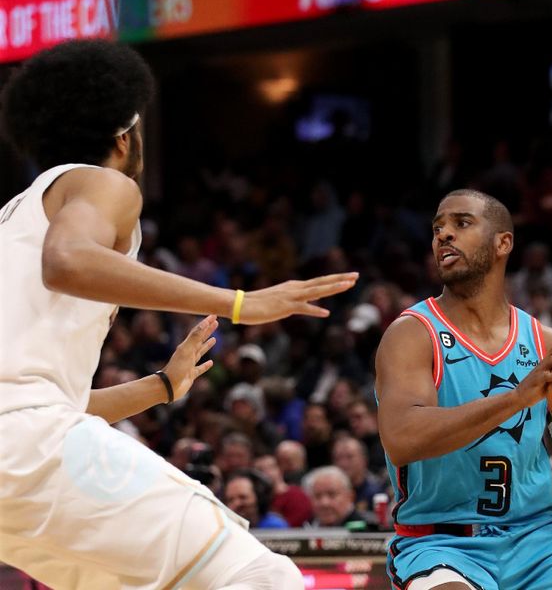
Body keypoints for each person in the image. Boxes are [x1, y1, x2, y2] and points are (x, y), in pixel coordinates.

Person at [0, 39, 357, 590]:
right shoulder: (103, 182)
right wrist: (241, 302)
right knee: (261, 576)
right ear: (125, 133)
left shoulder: (13, 218)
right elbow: (67, 262)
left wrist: (162, 387)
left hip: (18, 458)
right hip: (26, 447)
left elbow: (39, 399)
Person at [375, 189, 552, 590]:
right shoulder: (412, 334)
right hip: (442, 544)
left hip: (540, 538)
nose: (444, 236)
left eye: (462, 223)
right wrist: (515, 398)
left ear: (503, 243)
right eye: (438, 228)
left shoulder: (544, 341)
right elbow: (402, 439)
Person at [303, 466, 375, 531]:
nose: (324, 503)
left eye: (332, 494)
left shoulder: (370, 530)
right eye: (317, 496)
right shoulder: (303, 528)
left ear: (350, 497)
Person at [224, 469, 289, 529]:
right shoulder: (224, 528)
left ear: (260, 497)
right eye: (230, 500)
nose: (236, 503)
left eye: (243, 497)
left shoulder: (274, 526)